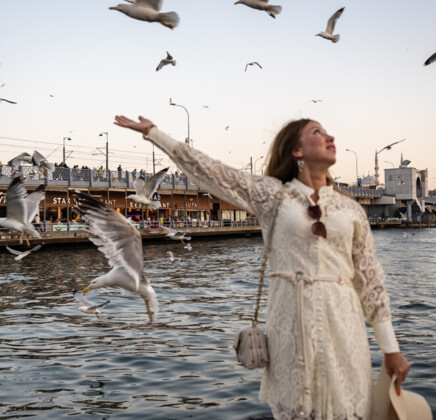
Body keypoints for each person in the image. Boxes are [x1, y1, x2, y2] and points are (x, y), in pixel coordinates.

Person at [114, 115, 410, 419]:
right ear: (296, 151)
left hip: (344, 326)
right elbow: (212, 172)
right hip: (291, 323)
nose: (329, 137)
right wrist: (154, 133)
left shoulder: (352, 209)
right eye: (317, 132)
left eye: (328, 132)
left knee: (349, 407)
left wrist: (391, 349)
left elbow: (370, 281)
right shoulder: (273, 196)